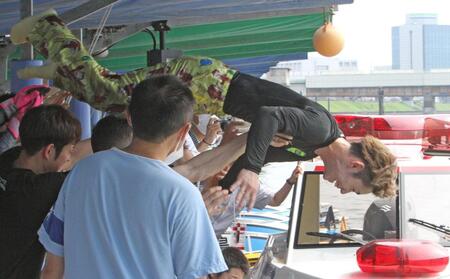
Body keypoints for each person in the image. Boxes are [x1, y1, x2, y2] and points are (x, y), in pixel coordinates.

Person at [10, 10, 398, 211]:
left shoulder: (307, 148)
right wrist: (252, 170)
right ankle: (47, 29)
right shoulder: (320, 129)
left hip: (208, 94)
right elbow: (267, 119)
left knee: (108, 94)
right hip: (207, 82)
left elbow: (246, 147)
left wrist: (219, 187)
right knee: (109, 93)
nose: (341, 188)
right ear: (356, 165)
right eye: (352, 186)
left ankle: (60, 65)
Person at [38, 75, 229, 278]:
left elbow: (52, 268)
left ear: (128, 116)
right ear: (184, 132)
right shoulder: (183, 195)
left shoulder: (82, 171)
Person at [0, 105, 83, 279]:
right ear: (49, 151)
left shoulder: (9, 158)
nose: (69, 158)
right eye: (69, 151)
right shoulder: (38, 191)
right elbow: (88, 166)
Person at [211, 163, 302, 236]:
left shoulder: (247, 187)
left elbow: (275, 200)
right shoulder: (204, 179)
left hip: (213, 238)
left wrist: (290, 181)